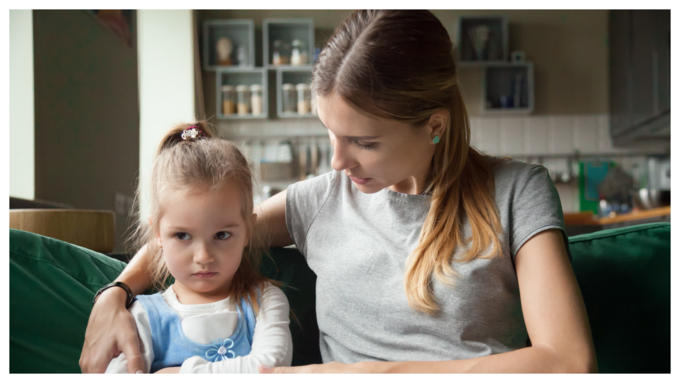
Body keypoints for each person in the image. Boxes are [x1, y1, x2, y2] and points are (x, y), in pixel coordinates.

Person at [81, 10, 597, 373]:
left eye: (364, 142)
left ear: (434, 125)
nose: (337, 161)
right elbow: (200, 233)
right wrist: (115, 294)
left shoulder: (517, 192)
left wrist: (369, 374)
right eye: (331, 133)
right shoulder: (322, 200)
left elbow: (570, 363)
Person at [103, 123, 292, 373]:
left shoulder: (266, 300)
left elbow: (270, 368)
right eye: (182, 235)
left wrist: (180, 374)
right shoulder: (143, 316)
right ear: (157, 234)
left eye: (222, 235)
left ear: (248, 231)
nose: (203, 257)